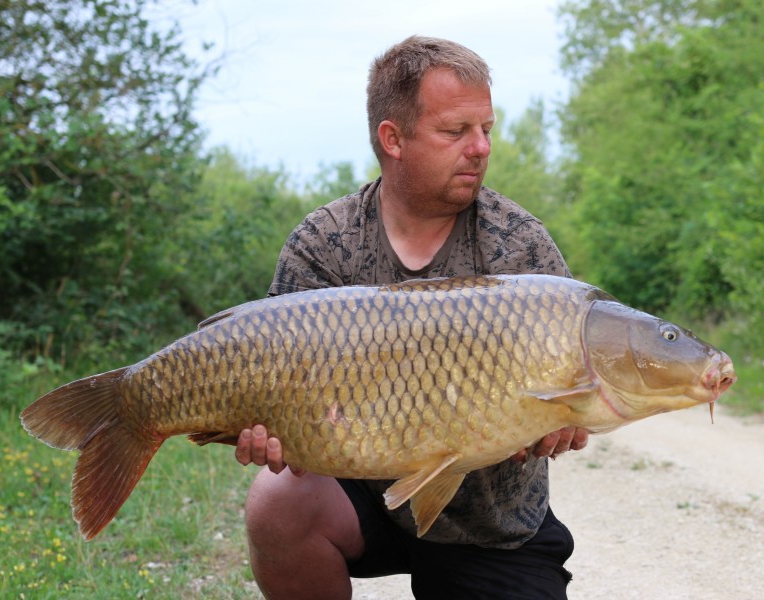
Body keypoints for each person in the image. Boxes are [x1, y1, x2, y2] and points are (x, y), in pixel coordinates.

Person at [235, 35, 588, 599]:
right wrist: (267, 430)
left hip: (490, 528)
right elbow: (272, 383)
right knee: (276, 502)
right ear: (392, 138)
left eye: (486, 129)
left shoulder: (519, 245)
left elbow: (575, 385)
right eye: (456, 132)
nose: (480, 148)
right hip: (359, 500)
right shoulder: (325, 243)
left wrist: (566, 419)